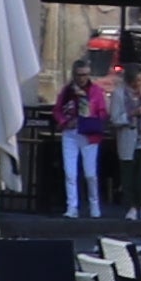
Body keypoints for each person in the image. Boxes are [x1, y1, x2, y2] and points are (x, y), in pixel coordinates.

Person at [50, 52, 117, 220]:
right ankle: (72, 206)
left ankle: (94, 205)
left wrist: (93, 117)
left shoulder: (96, 91)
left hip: (89, 134)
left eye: (86, 75)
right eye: (80, 75)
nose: (82, 78)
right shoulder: (67, 92)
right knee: (70, 173)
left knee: (90, 173)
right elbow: (57, 110)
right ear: (74, 75)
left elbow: (103, 112)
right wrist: (65, 121)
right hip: (71, 133)